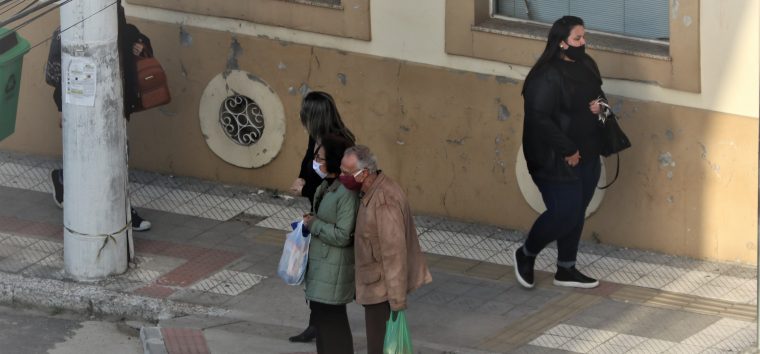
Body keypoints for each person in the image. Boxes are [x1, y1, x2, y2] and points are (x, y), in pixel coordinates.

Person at [514, 16, 605, 289]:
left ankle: (566, 268)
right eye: (578, 38)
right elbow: (539, 119)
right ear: (562, 43)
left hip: (588, 153)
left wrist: (600, 106)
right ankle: (526, 253)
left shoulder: (587, 65)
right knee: (563, 212)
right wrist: (568, 149)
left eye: (584, 37)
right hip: (554, 159)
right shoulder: (546, 76)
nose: (583, 42)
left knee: (576, 212)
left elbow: (600, 94)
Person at [48, 0, 152, 231]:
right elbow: (58, 75)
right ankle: (66, 182)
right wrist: (61, 109)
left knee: (118, 156)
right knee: (87, 157)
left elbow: (142, 45)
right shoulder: (69, 30)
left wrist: (139, 46)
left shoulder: (121, 26)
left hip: (113, 108)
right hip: (81, 110)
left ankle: (124, 211)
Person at [342, 145, 432, 354]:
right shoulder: (372, 191)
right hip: (376, 286)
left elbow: (394, 255)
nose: (342, 177)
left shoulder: (384, 201)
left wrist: (397, 301)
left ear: (364, 173)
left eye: (346, 173)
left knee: (380, 348)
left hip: (381, 292)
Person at [288, 91, 355, 343]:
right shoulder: (315, 137)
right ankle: (317, 322)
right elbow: (308, 164)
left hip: (330, 214)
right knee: (315, 269)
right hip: (316, 208)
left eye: (305, 113)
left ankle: (324, 323)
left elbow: (335, 181)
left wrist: (304, 188)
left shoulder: (339, 142)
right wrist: (302, 178)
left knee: (327, 272)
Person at [301, 134, 359, 354]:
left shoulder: (346, 193)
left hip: (333, 271)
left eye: (319, 156)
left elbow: (344, 235)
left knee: (334, 329)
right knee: (323, 327)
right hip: (322, 268)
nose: (315, 160)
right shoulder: (327, 185)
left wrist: (314, 224)